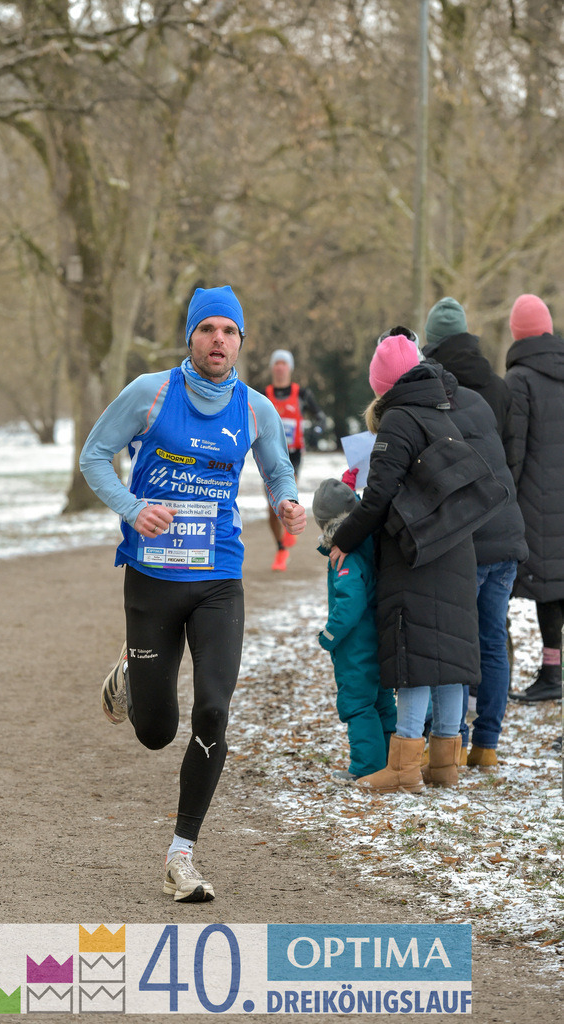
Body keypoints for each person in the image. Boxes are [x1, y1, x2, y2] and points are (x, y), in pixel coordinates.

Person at [79, 285, 306, 903]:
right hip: (152, 579)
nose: (218, 341)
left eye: (229, 331)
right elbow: (94, 456)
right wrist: (132, 509)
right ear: (191, 337)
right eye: (207, 329)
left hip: (218, 581)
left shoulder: (256, 408)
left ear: (240, 342)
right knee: (156, 731)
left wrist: (283, 499)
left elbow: (276, 464)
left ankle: (182, 854)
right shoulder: (150, 393)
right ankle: (132, 670)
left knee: (213, 709)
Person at [328, 335, 480, 792]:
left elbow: (379, 495)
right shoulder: (446, 407)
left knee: (413, 656)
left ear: (382, 385)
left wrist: (345, 536)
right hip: (457, 543)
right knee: (450, 658)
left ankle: (404, 767)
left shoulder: (398, 417)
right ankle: (444, 765)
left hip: (416, 551)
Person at [423, 357, 528, 767]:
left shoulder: (433, 416)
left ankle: (454, 741)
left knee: (456, 644)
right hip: (508, 536)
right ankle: (487, 746)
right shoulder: (478, 401)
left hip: (476, 543)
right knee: (493, 642)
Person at [313, 478, 397, 781]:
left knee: (358, 704)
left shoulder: (344, 554)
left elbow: (350, 602)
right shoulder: (370, 540)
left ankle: (367, 768)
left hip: (355, 644)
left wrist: (329, 635)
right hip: (379, 635)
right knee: (383, 701)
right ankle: (390, 761)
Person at [504, 293, 564, 704]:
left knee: (547, 589)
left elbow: (514, 450)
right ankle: (551, 671)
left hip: (536, 504)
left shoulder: (520, 380)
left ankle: (550, 672)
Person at [423, 297, 514, 451]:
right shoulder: (498, 387)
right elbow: (511, 451)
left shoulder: (421, 386)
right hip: (493, 473)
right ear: (464, 332)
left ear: (430, 337)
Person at [265, 349, 325, 571]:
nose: (280, 367)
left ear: (289, 368)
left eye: (284, 363)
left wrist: (315, 433)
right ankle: (280, 547)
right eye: (277, 363)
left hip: (294, 455)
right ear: (273, 367)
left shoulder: (302, 394)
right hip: (269, 453)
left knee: (287, 497)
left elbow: (320, 417)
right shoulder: (264, 394)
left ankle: (287, 528)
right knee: (270, 505)